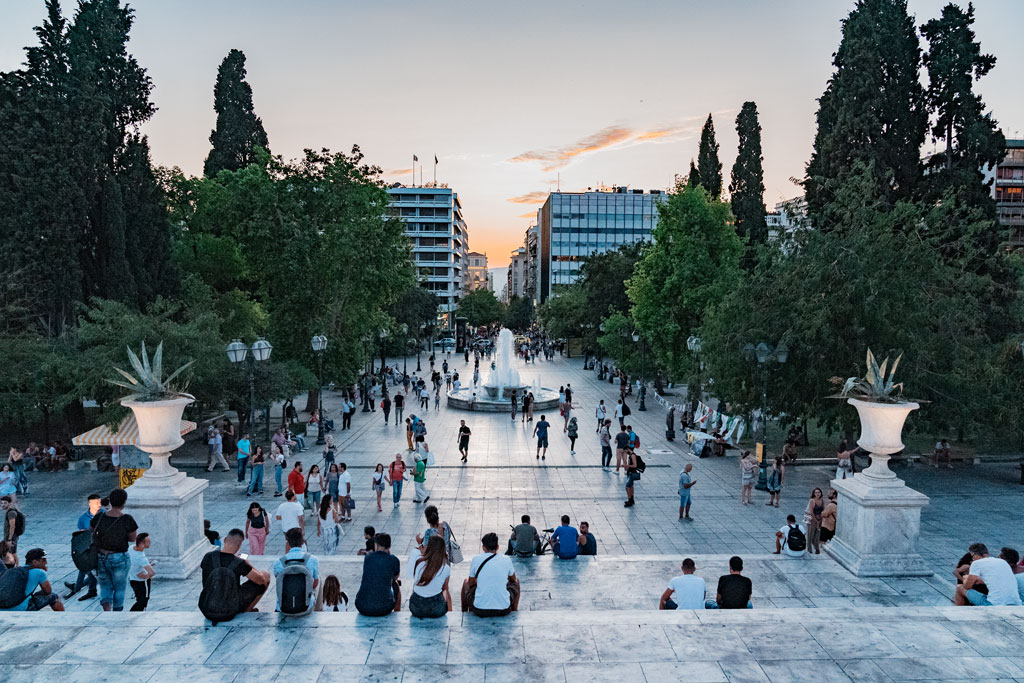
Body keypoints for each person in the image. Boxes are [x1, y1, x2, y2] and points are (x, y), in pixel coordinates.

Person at [199, 528, 271, 620]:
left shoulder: (208, 556)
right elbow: (261, 580)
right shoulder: (239, 562)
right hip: (231, 607)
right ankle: (247, 610)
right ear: (239, 546)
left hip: (208, 606)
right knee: (265, 575)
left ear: (225, 540)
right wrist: (248, 564)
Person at [90, 488, 138, 611]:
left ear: (110, 501)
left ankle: (106, 611)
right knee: (119, 588)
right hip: (119, 557)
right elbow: (133, 538)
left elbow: (91, 530)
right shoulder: (127, 519)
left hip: (101, 556)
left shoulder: (100, 517)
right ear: (124, 502)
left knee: (105, 586)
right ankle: (117, 612)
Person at [461, 532, 520, 617]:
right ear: (498, 547)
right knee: (517, 582)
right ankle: (514, 610)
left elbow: (470, 583)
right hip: (503, 609)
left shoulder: (476, 559)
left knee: (465, 582)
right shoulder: (506, 559)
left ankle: (464, 613)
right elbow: (513, 579)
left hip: (479, 609)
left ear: (483, 548)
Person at [954, 543, 1023, 606]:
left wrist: (966, 578)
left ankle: (958, 614)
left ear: (974, 555)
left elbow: (967, 586)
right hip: (1016, 602)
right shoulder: (1002, 562)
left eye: (972, 557)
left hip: (994, 604)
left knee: (959, 587)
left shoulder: (976, 563)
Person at [273, 527, 320, 613]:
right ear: (303, 542)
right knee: (318, 579)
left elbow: (279, 582)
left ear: (288, 543)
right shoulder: (313, 559)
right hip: (305, 607)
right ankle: (319, 610)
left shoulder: (278, 562)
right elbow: (315, 584)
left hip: (283, 607)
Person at [355, 532, 402, 616]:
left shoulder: (368, 557)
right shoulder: (394, 560)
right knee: (396, 584)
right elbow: (395, 577)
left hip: (362, 606)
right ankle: (397, 613)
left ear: (375, 545)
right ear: (389, 546)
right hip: (384, 608)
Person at [65, 493, 101, 600]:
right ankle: (83, 588)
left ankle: (79, 587)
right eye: (96, 503)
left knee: (87, 569)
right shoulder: (83, 518)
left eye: (99, 502)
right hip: (88, 546)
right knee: (85, 567)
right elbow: (81, 533)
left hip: (101, 545)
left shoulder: (104, 514)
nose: (98, 505)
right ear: (90, 503)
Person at [410, 535, 452, 618]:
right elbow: (445, 588)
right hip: (435, 609)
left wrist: (419, 544)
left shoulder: (418, 562)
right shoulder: (446, 568)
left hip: (416, 608)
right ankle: (451, 613)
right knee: (444, 591)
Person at [128, 532, 155, 611]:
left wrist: (147, 564)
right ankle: (134, 615)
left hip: (132, 579)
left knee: (139, 599)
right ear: (142, 544)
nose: (150, 543)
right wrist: (146, 576)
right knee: (143, 601)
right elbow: (152, 573)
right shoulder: (141, 558)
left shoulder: (131, 548)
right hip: (142, 582)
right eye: (148, 541)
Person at [2, 495, 24, 566]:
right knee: (12, 552)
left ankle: (16, 567)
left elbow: (12, 526)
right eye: (2, 503)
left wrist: (10, 539)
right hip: (10, 536)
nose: (3, 505)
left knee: (12, 553)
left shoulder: (11, 513)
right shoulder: (9, 512)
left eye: (5, 503)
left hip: (11, 536)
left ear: (10, 503)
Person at [805, 488, 825, 554]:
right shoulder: (812, 501)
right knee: (810, 535)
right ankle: (809, 549)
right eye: (816, 492)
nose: (817, 494)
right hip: (812, 520)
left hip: (820, 519)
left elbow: (823, 510)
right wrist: (816, 520)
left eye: (819, 492)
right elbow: (811, 512)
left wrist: (821, 519)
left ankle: (817, 548)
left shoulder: (822, 500)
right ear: (814, 493)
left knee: (817, 535)